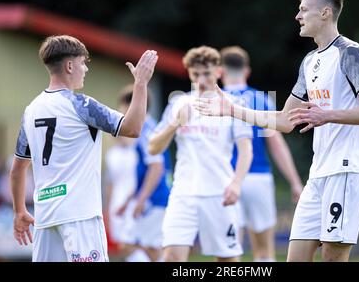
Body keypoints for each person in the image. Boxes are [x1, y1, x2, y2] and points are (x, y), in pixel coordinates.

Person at [194, 0, 359, 262]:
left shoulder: (350, 52)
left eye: (303, 10)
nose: (297, 16)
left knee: (332, 258)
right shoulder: (309, 61)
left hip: (346, 170)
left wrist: (326, 115)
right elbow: (285, 121)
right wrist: (232, 109)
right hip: (318, 174)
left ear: (325, 12)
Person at [10, 35, 157, 262]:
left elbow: (18, 169)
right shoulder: (81, 105)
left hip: (46, 217)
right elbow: (133, 128)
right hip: (80, 215)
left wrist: (20, 211)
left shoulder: (31, 110)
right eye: (82, 63)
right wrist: (141, 84)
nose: (86, 69)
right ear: (69, 66)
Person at [149, 46, 253, 262]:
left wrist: (236, 183)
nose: (201, 79)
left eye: (206, 73)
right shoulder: (179, 103)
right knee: (171, 258)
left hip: (219, 193)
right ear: (189, 74)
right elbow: (153, 148)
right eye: (196, 74)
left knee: (228, 261)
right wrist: (174, 125)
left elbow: (246, 149)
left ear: (218, 72)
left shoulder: (233, 104)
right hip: (183, 194)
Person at [220, 46, 304, 262]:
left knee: (230, 251)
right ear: (246, 71)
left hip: (225, 180)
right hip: (259, 178)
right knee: (264, 251)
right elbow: (276, 144)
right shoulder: (261, 100)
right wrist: (295, 182)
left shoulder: (214, 102)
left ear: (220, 71)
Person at [116, 85, 171, 262]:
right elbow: (144, 172)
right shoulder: (145, 129)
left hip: (154, 200)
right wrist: (129, 200)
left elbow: (156, 168)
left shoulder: (148, 130)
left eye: (123, 107)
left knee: (146, 247)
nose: (121, 111)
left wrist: (141, 199)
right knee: (139, 246)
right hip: (148, 198)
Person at [104, 88, 142, 262]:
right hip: (118, 201)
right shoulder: (112, 154)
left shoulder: (139, 147)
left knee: (139, 243)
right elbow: (110, 182)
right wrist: (109, 206)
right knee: (123, 245)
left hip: (136, 199)